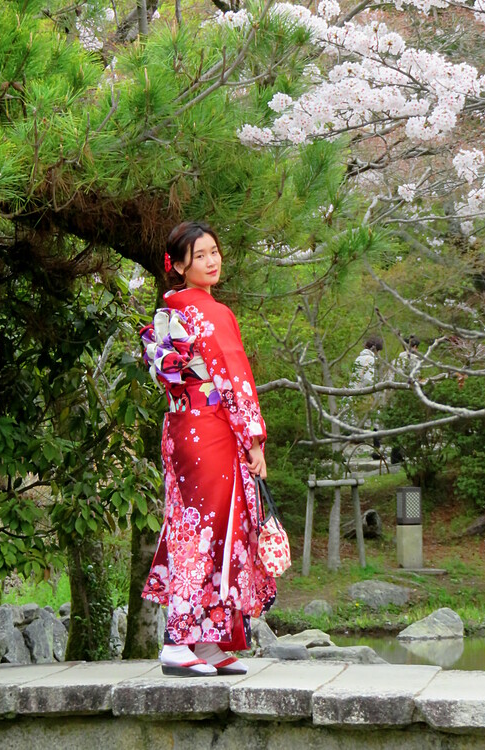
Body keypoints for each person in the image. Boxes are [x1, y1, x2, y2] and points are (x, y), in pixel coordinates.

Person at [139, 221, 276, 677]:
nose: (212, 261)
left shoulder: (172, 311)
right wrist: (253, 438)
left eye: (214, 251)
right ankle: (179, 640)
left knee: (202, 526)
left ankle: (208, 639)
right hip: (212, 430)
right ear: (177, 265)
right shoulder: (211, 312)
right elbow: (235, 378)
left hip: (182, 426)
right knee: (204, 531)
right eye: (199, 256)